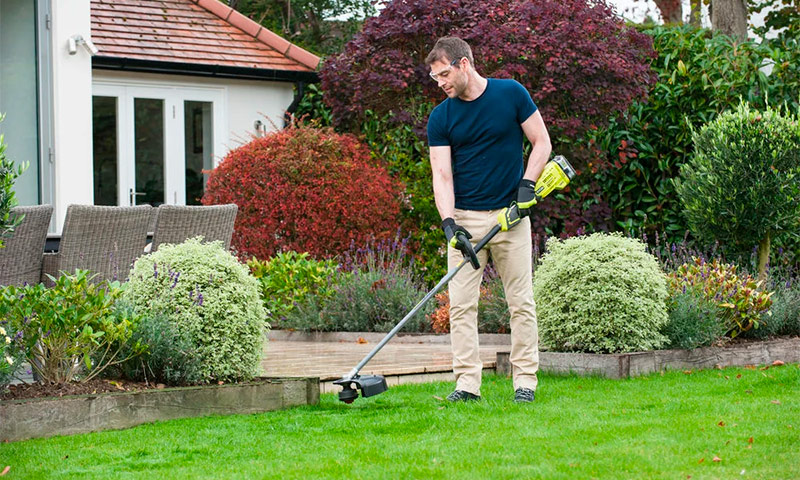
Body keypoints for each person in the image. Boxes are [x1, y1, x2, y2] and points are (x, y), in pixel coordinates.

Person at [425, 36, 552, 403]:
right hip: (465, 218)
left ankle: (525, 382)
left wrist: (528, 184)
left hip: (510, 218)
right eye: (435, 78)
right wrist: (450, 224)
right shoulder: (441, 117)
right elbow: (442, 175)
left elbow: (541, 142)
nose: (441, 83)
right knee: (462, 306)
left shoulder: (510, 94)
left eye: (445, 74)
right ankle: (467, 385)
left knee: (521, 302)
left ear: (464, 64)